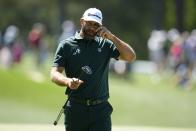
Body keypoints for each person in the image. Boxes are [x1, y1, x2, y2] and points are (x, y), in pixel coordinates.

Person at [50, 7, 136, 131]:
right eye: (89, 23)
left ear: (100, 27)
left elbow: (130, 56)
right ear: (82, 21)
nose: (92, 27)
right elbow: (54, 74)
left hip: (100, 110)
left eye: (96, 25)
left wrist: (112, 37)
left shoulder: (105, 44)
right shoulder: (66, 45)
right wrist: (67, 81)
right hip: (76, 108)